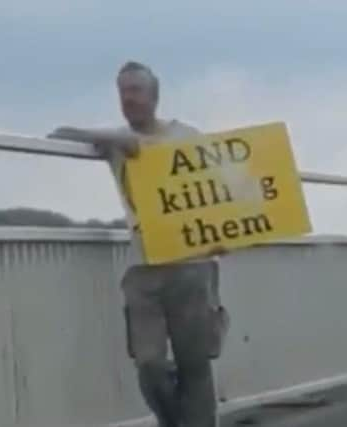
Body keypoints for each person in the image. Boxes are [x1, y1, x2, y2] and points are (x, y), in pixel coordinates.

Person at [48, 61, 229, 427]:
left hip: (193, 266)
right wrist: (112, 140)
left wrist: (224, 237)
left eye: (135, 90)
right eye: (122, 91)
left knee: (195, 365)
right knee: (149, 364)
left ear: (155, 95)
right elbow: (61, 134)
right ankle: (175, 421)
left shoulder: (186, 136)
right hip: (145, 270)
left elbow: (219, 193)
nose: (128, 99)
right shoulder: (115, 142)